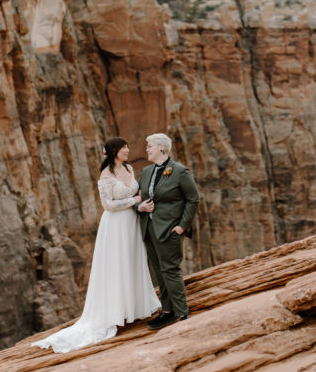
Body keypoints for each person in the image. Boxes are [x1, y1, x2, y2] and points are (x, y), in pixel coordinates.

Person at [34, 137, 160, 353]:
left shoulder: (129, 168)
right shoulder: (105, 175)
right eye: (124, 148)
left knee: (132, 261)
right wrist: (134, 202)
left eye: (128, 146)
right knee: (117, 265)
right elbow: (108, 205)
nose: (128, 150)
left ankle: (135, 307)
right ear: (114, 151)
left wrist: (140, 201)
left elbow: (135, 192)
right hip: (115, 225)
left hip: (132, 222)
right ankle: (116, 312)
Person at [135, 133, 200, 330]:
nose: (146, 149)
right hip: (149, 229)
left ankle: (183, 313)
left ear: (162, 147)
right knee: (160, 272)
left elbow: (193, 199)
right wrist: (139, 208)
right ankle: (167, 312)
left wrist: (182, 226)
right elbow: (137, 198)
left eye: (149, 146)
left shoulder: (180, 171)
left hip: (170, 229)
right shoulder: (146, 172)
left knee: (171, 270)